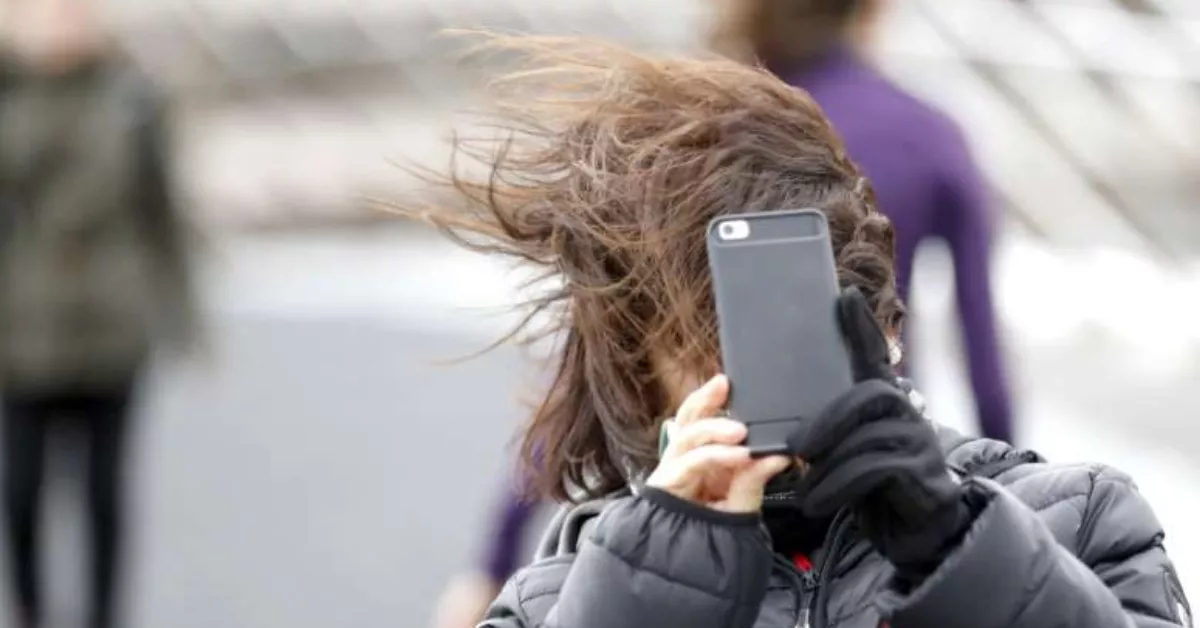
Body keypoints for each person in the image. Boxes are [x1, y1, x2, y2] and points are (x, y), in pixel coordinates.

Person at [414, 34, 1190, 628]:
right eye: (699, 346)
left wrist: (963, 542)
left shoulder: (1081, 523)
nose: (746, 374)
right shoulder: (561, 601)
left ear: (880, 322)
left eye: (779, 328)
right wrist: (652, 586)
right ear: (635, 376)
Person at [0, 1, 198, 626]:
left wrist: (183, 317)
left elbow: (162, 213)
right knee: (22, 491)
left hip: (112, 323)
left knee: (104, 493)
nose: (59, 23)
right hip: (20, 327)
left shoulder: (132, 98)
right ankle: (30, 610)